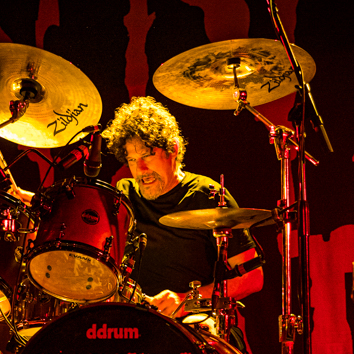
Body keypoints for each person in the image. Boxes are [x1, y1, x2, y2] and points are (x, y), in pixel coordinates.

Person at [102, 96, 264, 328]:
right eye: (132, 159)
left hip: (192, 323)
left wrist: (185, 300)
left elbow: (252, 278)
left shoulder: (208, 196)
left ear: (173, 149)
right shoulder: (124, 194)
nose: (141, 169)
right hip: (131, 323)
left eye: (147, 155)